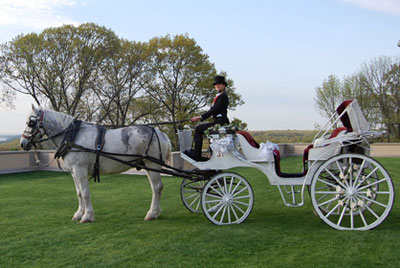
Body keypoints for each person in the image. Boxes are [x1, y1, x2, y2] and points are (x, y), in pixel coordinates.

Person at [185, 75, 230, 160]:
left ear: (224, 85)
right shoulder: (219, 96)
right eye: (216, 84)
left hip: (220, 122)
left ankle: (197, 155)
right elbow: (214, 110)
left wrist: (200, 117)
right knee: (200, 129)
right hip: (217, 121)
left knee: (199, 129)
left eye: (219, 84)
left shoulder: (223, 96)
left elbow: (214, 109)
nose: (217, 86)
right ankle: (201, 153)